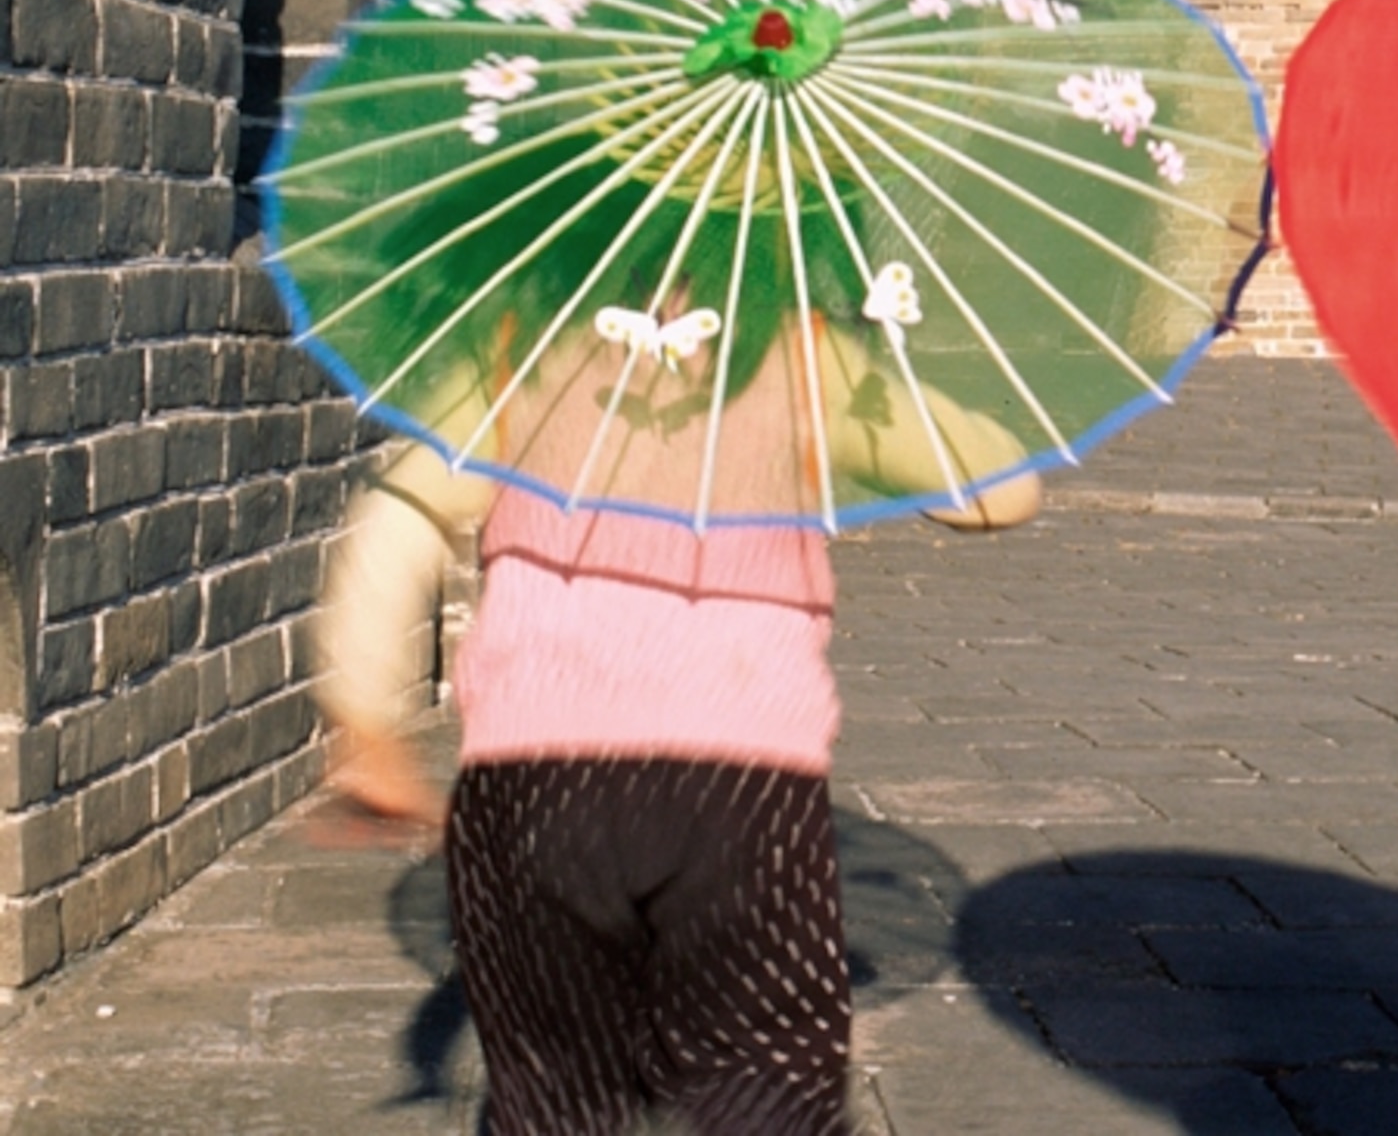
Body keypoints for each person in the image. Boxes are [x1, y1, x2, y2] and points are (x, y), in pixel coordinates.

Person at [312, 335, 1040, 1136]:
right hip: (742, 786)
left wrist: (366, 718)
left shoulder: (518, 350)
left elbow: (397, 514)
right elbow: (999, 494)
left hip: (535, 780)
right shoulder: (801, 355)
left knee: (557, 1089)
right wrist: (881, 386)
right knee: (767, 1083)